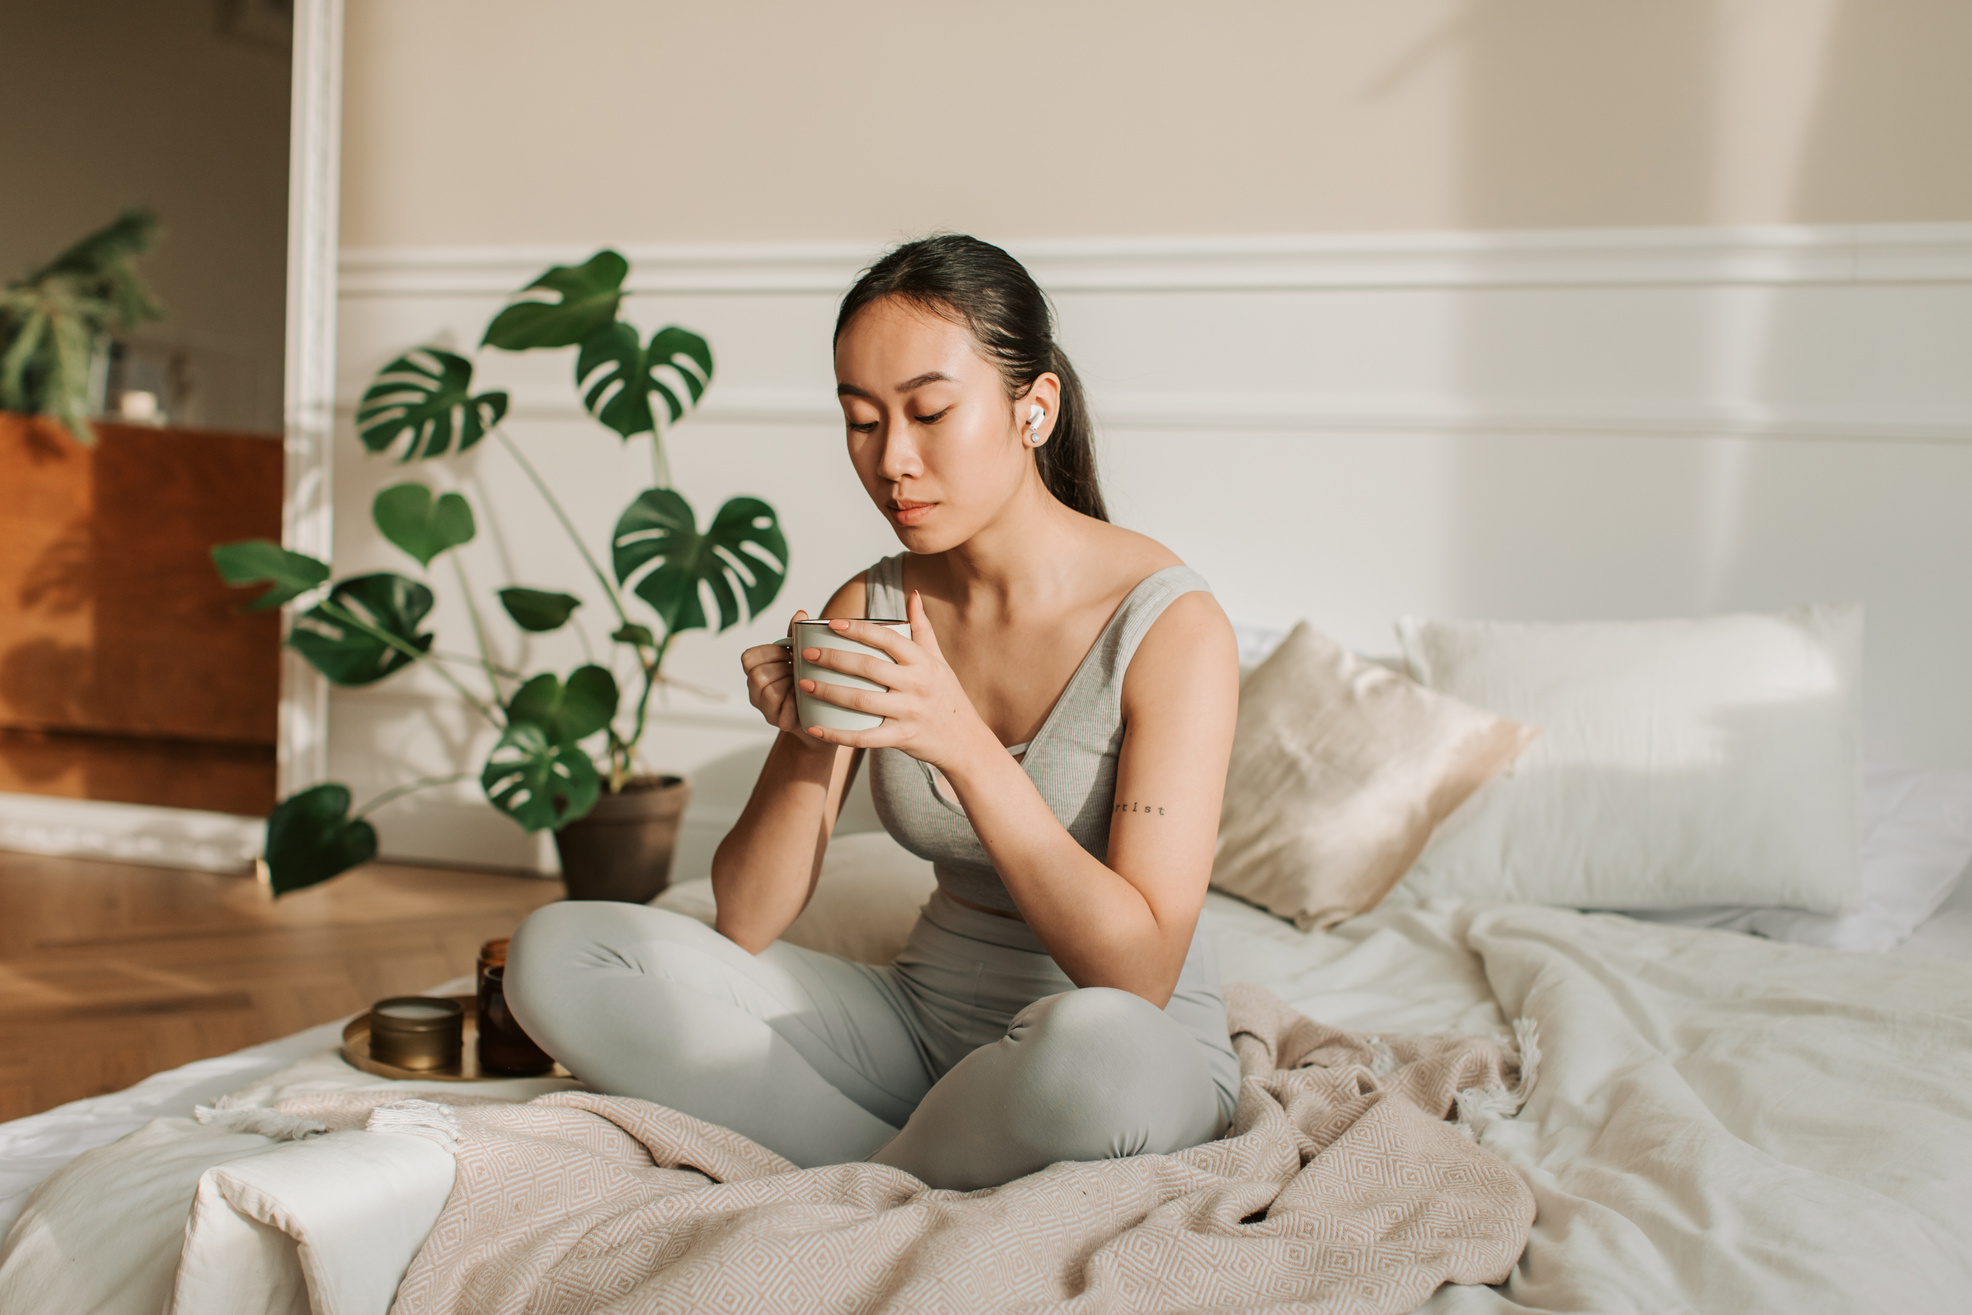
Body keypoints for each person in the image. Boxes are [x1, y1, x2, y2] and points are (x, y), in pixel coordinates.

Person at [506, 234, 1242, 1191]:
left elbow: (1137, 975)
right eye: (861, 420)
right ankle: (896, 1174)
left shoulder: (1173, 626)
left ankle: (848, 1174)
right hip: (920, 1027)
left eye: (930, 412)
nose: (893, 459)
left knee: (1094, 1051)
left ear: (1035, 409)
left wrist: (964, 745)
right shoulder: (875, 603)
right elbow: (747, 917)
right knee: (559, 952)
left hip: (1112, 1047)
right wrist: (805, 737)